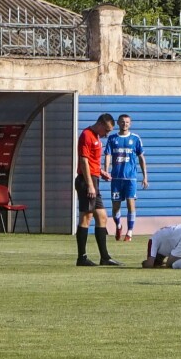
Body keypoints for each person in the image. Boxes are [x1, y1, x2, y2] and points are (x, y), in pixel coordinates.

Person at [75, 113, 120, 266]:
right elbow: (83, 161)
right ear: (100, 124)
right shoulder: (86, 135)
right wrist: (89, 184)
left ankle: (105, 257)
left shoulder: (97, 138)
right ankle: (82, 258)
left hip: (94, 179)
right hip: (86, 181)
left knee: (102, 217)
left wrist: (101, 172)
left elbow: (93, 161)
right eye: (106, 130)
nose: (107, 134)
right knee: (86, 217)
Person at [103, 113, 148, 242]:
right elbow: (107, 155)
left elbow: (141, 158)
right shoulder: (112, 138)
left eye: (127, 122)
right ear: (118, 123)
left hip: (131, 178)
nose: (125, 124)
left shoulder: (135, 138)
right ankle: (118, 226)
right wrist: (106, 171)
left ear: (130, 124)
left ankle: (129, 233)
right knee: (116, 206)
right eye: (122, 122)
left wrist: (145, 177)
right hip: (116, 178)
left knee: (130, 204)